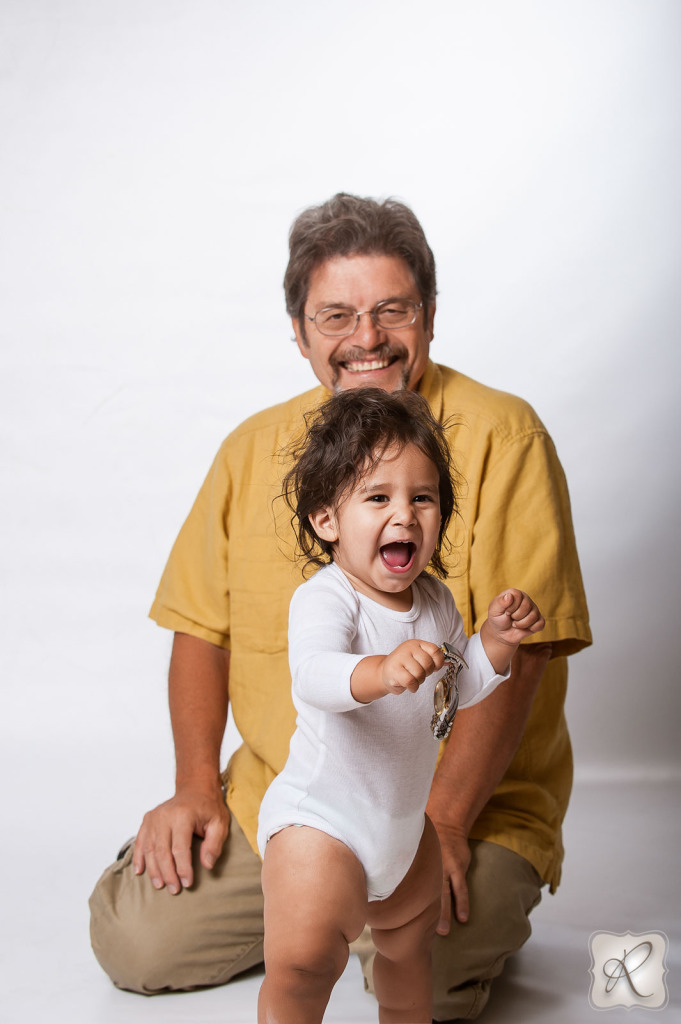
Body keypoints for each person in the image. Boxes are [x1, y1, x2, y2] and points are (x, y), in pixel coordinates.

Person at [89, 193, 592, 1021]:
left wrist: (444, 824)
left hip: (443, 804)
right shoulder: (251, 449)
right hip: (302, 796)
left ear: (427, 316)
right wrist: (194, 790)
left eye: (391, 309)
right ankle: (315, 921)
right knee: (139, 942)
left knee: (423, 975)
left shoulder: (506, 435)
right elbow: (199, 628)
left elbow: (516, 657)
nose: (366, 338)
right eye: (335, 315)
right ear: (299, 333)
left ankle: (365, 920)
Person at [256, 386, 545, 1024]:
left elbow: (453, 692)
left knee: (410, 955)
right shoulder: (329, 598)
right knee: (305, 965)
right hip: (323, 820)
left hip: (403, 830)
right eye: (378, 498)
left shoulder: (437, 602)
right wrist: (381, 670)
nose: (405, 515)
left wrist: (493, 644)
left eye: (423, 497)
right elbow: (313, 675)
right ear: (326, 519)